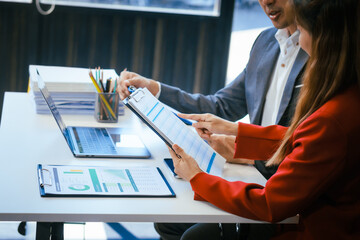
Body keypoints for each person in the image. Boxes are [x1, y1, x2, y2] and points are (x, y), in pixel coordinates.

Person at [166, 0, 360, 239]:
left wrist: (197, 178)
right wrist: (236, 131)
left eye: (303, 29)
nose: (300, 39)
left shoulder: (332, 118)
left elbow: (268, 203)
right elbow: (305, 140)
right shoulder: (348, 95)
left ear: (322, 38)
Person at [118, 0, 308, 179]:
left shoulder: (319, 53)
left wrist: (248, 153)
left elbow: (310, 143)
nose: (266, 2)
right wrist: (155, 89)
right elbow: (222, 106)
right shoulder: (265, 42)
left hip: (288, 184)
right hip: (252, 176)